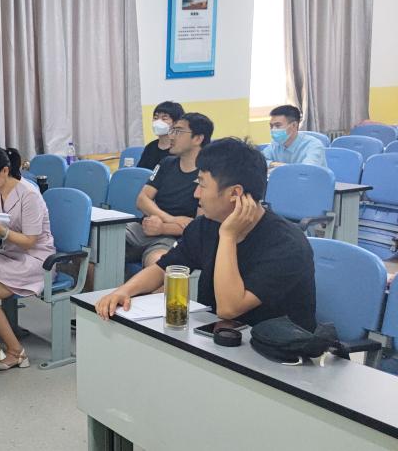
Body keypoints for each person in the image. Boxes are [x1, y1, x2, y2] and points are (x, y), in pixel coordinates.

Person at [96, 138, 317, 331]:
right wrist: (124, 291)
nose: (196, 194)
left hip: (276, 354)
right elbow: (163, 268)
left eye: (202, 185)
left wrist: (228, 236)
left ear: (235, 193)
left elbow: (229, 308)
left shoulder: (287, 244)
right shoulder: (205, 226)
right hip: (218, 337)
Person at [0, 146, 54, 373]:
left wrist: (2, 231)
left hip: (36, 259)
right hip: (10, 255)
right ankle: (6, 348)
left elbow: (30, 241)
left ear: (5, 171)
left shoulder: (29, 194)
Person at [126, 112, 213, 268]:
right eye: (172, 130)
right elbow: (142, 199)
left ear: (198, 139)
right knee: (97, 246)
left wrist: (163, 227)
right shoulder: (166, 163)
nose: (171, 136)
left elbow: (198, 224)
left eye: (178, 131)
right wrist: (170, 219)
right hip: (145, 227)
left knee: (159, 264)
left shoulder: (208, 173)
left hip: (174, 237)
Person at [262, 105, 326, 168]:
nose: (273, 129)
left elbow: (307, 169)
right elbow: (260, 161)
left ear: (294, 125)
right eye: (271, 126)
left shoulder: (314, 145)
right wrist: (274, 164)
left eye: (278, 125)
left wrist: (284, 166)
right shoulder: (276, 143)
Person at [137, 101, 185, 170]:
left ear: (176, 123)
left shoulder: (182, 149)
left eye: (164, 118)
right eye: (155, 118)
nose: (158, 122)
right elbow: (141, 172)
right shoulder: (150, 147)